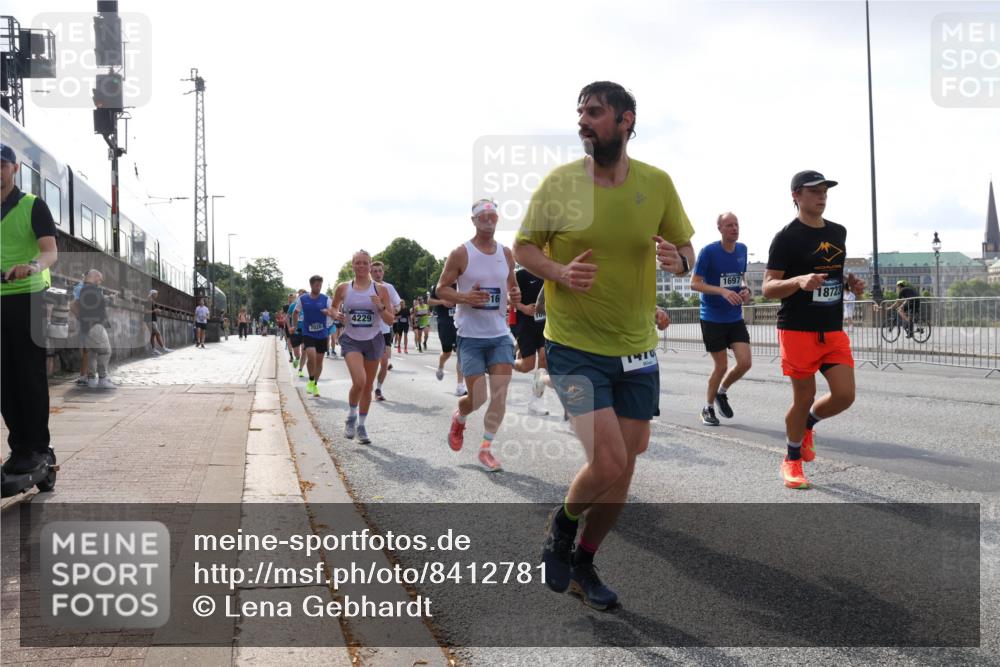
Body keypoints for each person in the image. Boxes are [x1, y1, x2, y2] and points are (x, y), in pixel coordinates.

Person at [513, 81, 695, 610]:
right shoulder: (561, 184)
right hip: (573, 345)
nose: (583, 122)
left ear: (625, 119)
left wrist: (679, 261)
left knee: (625, 466)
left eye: (594, 112)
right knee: (610, 459)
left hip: (636, 348)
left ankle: (584, 561)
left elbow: (686, 248)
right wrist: (558, 273)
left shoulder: (657, 183)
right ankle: (562, 525)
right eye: (580, 113)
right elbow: (523, 247)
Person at [763, 170, 865, 490]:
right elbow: (768, 287)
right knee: (804, 396)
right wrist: (798, 281)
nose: (822, 196)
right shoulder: (786, 237)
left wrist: (849, 283)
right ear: (796, 195)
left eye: (824, 191)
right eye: (814, 191)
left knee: (845, 395)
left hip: (832, 328)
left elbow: (832, 271)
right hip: (797, 329)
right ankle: (792, 460)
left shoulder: (838, 231)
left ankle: (807, 424)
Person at [438, 198, 521, 473]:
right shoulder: (461, 253)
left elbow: (512, 286)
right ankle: (460, 417)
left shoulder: (506, 253)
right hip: (471, 337)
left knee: (499, 395)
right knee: (478, 398)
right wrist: (465, 297)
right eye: (482, 216)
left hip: (499, 335)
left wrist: (516, 295)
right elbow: (441, 289)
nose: (488, 220)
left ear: (497, 220)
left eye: (492, 216)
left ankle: (486, 449)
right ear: (473, 220)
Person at [1, 143, 59, 475]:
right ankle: (19, 447)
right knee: (4, 378)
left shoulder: (33, 205)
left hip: (28, 296)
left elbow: (49, 251)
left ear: (14, 168)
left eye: (2, 165)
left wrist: (32, 266)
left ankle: (38, 447)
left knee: (29, 374)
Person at [690, 212, 752, 426]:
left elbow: (741, 279)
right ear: (720, 229)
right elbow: (694, 283)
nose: (734, 228)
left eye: (736, 224)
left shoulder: (742, 249)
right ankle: (707, 408)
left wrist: (745, 290)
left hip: (734, 317)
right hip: (712, 317)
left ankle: (721, 392)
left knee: (745, 362)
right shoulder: (709, 251)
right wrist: (723, 291)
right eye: (729, 225)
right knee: (721, 366)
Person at [332, 250, 395, 444]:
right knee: (359, 381)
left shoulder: (380, 290)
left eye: (364, 263)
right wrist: (335, 314)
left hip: (373, 340)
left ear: (369, 265)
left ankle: (361, 425)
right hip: (351, 339)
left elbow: (390, 320)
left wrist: (380, 307)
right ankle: (351, 416)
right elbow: (334, 307)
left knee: (367, 386)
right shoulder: (343, 288)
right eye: (357, 262)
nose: (361, 266)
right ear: (352, 265)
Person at [512, 266, 550, 416]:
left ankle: (535, 401)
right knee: (527, 365)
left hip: (544, 323)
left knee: (543, 357)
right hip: (525, 324)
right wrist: (523, 307)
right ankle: (506, 361)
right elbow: (509, 298)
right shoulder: (520, 275)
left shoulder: (547, 272)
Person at [291, 275, 336, 397]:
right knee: (311, 357)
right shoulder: (303, 299)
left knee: (319, 361)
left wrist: (329, 312)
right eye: (316, 285)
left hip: (322, 333)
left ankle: (315, 384)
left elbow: (334, 313)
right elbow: (295, 312)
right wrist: (294, 326)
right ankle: (311, 379)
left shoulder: (326, 299)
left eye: (320, 285)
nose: (319, 287)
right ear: (311, 285)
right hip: (308, 332)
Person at [72, 270, 116, 389]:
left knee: (92, 353)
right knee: (105, 351)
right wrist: (111, 299)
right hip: (95, 326)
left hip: (86, 326)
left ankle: (91, 380)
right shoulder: (91, 289)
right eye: (100, 279)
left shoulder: (83, 289)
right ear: (95, 276)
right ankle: (102, 379)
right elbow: (100, 302)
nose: (100, 282)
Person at [427, 282, 467, 396]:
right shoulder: (439, 286)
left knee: (461, 353)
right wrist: (442, 302)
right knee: (447, 352)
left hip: (460, 323)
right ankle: (441, 366)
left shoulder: (461, 284)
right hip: (444, 323)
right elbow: (429, 301)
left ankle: (460, 386)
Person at [371, 261, 401, 402]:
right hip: (368, 331)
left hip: (384, 330)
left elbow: (398, 304)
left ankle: (378, 389)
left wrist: (394, 310)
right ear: (370, 273)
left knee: (384, 362)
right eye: (375, 271)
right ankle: (366, 385)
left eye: (380, 271)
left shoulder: (389, 287)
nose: (378, 273)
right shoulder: (365, 287)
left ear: (383, 272)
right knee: (371, 363)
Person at [72, 274, 90, 384]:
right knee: (87, 349)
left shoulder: (86, 288)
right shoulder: (81, 288)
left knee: (88, 349)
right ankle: (84, 375)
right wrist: (80, 317)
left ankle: (86, 374)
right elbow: (73, 304)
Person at [148, 289, 171, 354]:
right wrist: (155, 310)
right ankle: (164, 348)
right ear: (153, 294)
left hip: (153, 320)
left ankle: (154, 350)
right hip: (150, 320)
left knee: (153, 335)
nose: (157, 295)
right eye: (156, 294)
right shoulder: (149, 301)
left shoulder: (152, 301)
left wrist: (157, 310)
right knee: (158, 333)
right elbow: (146, 311)